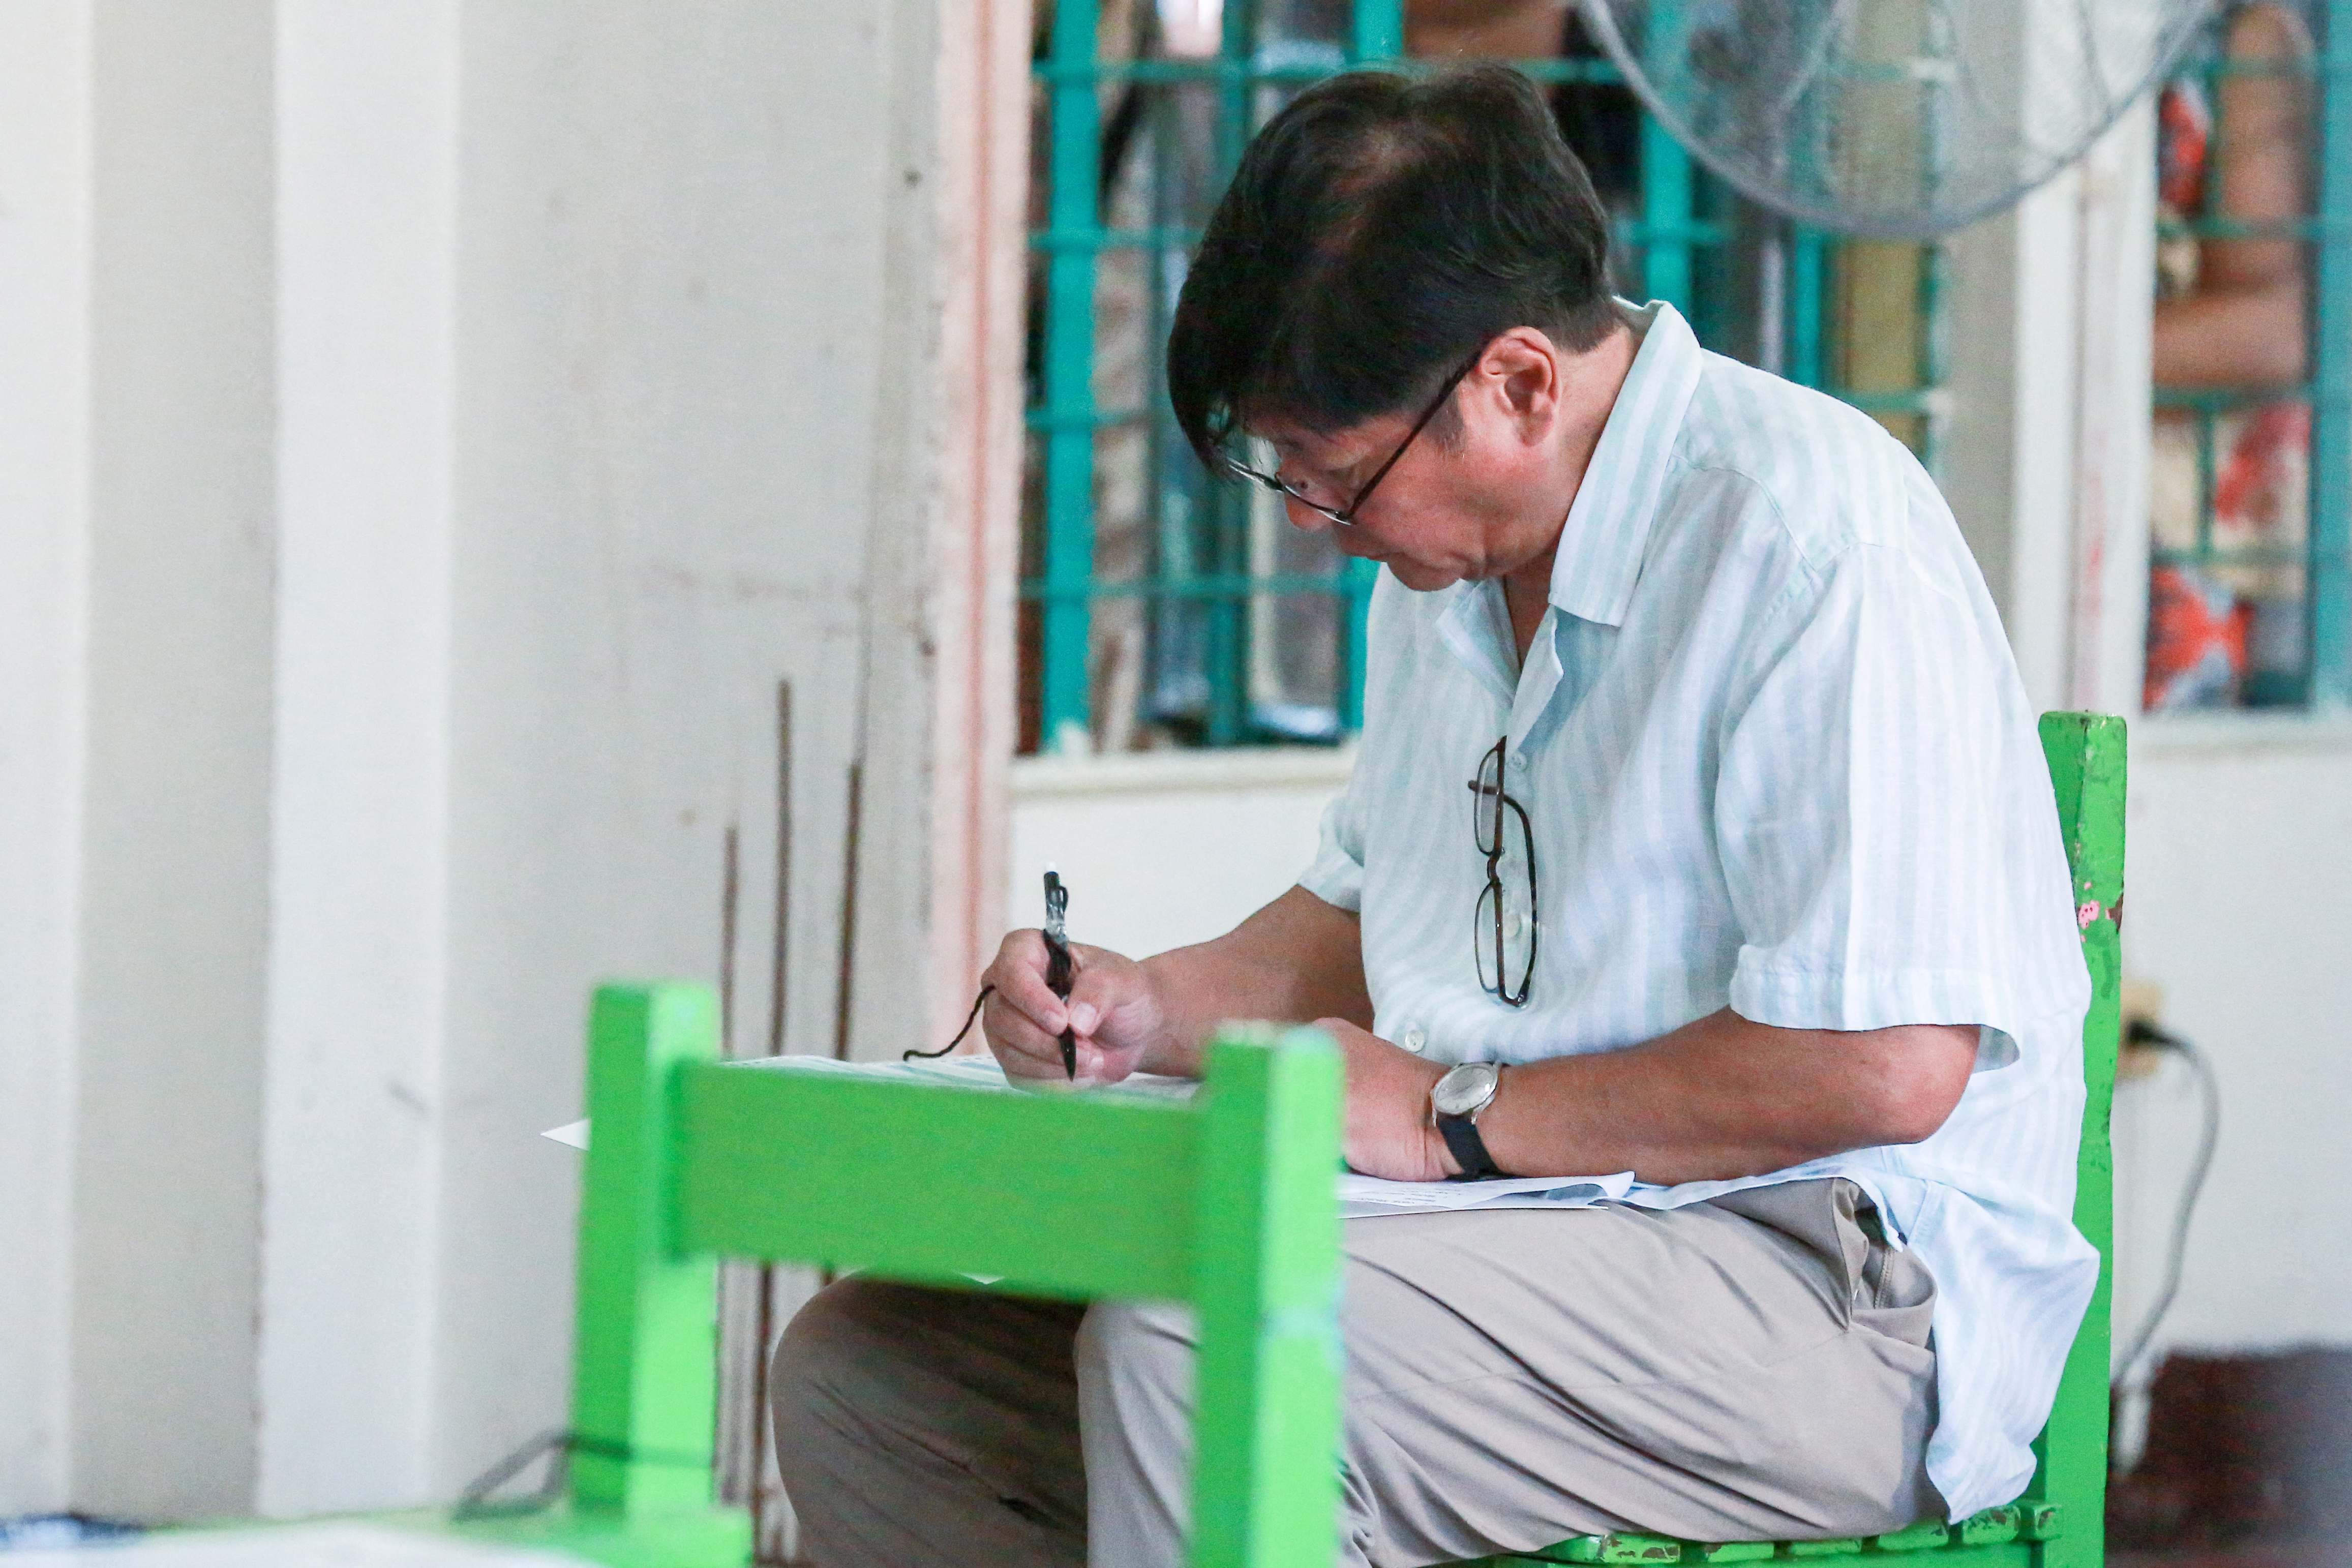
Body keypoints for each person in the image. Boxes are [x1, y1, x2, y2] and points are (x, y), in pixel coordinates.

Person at [772, 67, 2096, 1568]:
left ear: (1519, 384)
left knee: (1203, 1356)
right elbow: (1366, 930)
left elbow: (1881, 1061)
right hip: (1510, 1234)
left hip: (1818, 1291)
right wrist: (1143, 1005)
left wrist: (1441, 1116)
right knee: (871, 1372)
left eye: (1338, 479)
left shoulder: (1804, 535)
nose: (1311, 524)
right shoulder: (1454, 563)